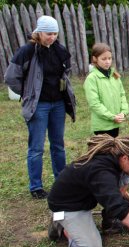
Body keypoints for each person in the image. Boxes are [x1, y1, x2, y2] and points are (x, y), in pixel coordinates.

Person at [47, 135, 129, 247]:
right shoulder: (101, 171)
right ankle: (63, 227)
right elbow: (118, 207)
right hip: (66, 206)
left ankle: (76, 224)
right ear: (125, 158)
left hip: (81, 201)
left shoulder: (113, 160)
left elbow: (117, 195)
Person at [4, 15, 76, 199]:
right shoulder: (27, 51)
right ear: (38, 32)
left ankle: (61, 181)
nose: (51, 37)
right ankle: (36, 186)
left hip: (58, 104)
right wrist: (27, 93)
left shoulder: (59, 50)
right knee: (36, 147)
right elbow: (11, 77)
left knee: (58, 144)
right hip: (39, 106)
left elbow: (66, 72)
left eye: (54, 33)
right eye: (48, 33)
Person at [84, 43, 129, 138]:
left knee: (114, 150)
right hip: (102, 126)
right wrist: (112, 117)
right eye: (103, 59)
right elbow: (94, 103)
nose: (107, 62)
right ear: (95, 59)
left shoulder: (115, 76)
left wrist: (123, 112)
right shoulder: (92, 78)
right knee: (104, 152)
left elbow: (122, 95)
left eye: (109, 58)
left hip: (115, 123)